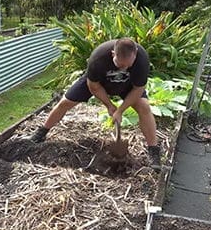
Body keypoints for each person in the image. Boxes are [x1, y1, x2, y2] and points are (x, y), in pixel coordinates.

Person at [30, 37, 161, 169]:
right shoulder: (98, 58)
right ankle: (41, 132)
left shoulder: (142, 60)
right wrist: (109, 106)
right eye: (120, 65)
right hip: (100, 83)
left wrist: (120, 111)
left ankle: (153, 151)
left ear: (136, 53)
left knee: (144, 107)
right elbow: (94, 87)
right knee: (65, 102)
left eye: (129, 65)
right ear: (113, 54)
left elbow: (138, 89)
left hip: (127, 85)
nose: (125, 68)